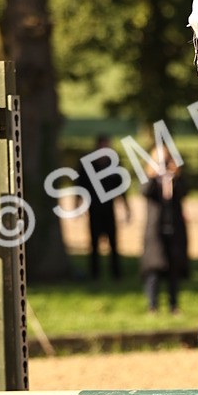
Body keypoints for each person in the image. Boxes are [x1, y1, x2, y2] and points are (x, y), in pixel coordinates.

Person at [139, 147, 189, 314]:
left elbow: (184, 192)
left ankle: (173, 305)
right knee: (153, 268)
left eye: (166, 161)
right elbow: (145, 191)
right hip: (155, 231)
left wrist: (174, 176)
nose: (164, 165)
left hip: (174, 229)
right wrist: (155, 176)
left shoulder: (175, 180)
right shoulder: (150, 180)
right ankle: (152, 306)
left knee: (174, 270)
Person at [75, 135, 131, 279]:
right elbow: (80, 185)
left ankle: (116, 273)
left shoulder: (114, 165)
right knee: (94, 243)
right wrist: (77, 204)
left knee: (113, 242)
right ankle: (95, 274)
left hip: (109, 209)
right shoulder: (88, 165)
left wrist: (126, 207)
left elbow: (121, 188)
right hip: (94, 209)